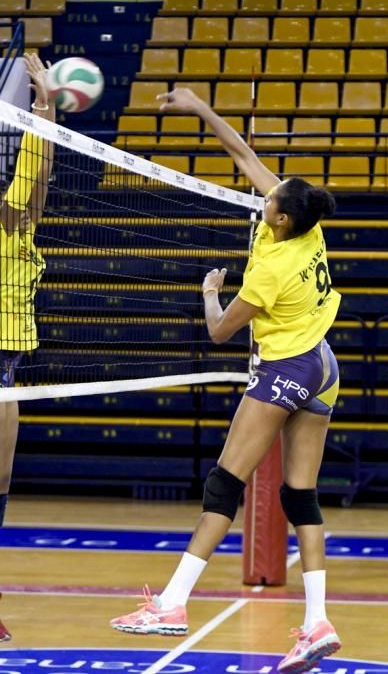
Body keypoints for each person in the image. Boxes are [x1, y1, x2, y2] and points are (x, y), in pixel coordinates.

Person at [110, 87, 342, 672]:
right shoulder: (307, 226)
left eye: (270, 198)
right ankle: (317, 622)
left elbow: (219, 333)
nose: (263, 194)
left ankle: (171, 604)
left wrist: (211, 294)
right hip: (324, 363)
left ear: (280, 217)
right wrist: (200, 108)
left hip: (287, 368)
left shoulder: (270, 269)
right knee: (300, 495)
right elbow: (242, 154)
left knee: (224, 483)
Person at [0, 53, 55, 640]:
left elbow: (36, 177)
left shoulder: (20, 223)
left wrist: (46, 107)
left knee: (2, 483)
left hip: (7, 364)